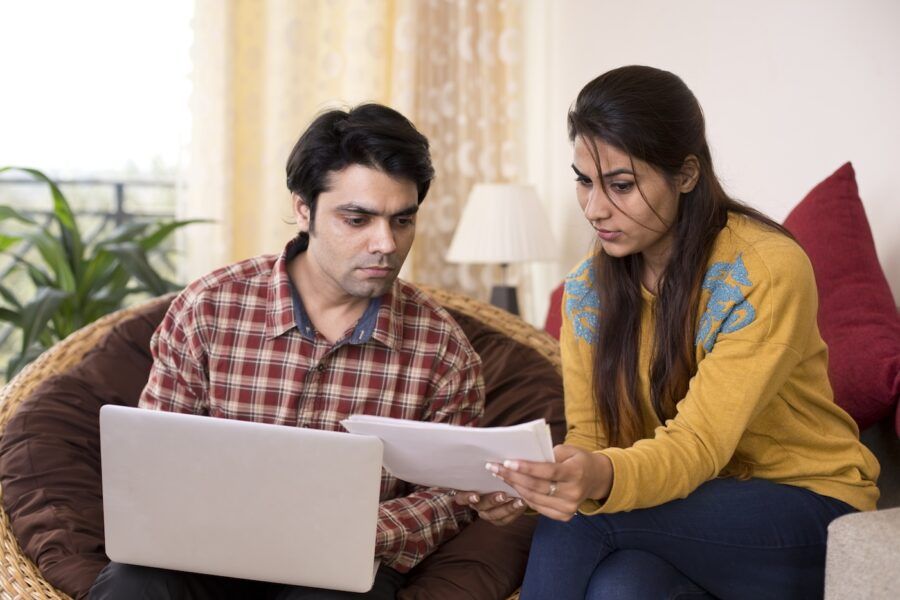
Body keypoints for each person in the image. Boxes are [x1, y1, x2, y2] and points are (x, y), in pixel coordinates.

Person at [457, 65, 880, 599]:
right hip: (688, 511)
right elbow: (594, 441)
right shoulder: (587, 291)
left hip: (806, 509)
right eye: (584, 182)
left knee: (584, 519)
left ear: (685, 175)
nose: (594, 208)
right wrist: (539, 485)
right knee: (621, 586)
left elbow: (697, 444)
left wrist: (591, 483)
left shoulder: (764, 270)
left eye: (621, 185)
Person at [91, 103, 485, 600]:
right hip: (206, 554)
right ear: (304, 208)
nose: (385, 243)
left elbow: (453, 496)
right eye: (357, 219)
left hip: (341, 569)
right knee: (135, 585)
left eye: (402, 220)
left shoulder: (443, 350)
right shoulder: (209, 308)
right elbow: (155, 459)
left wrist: (357, 528)